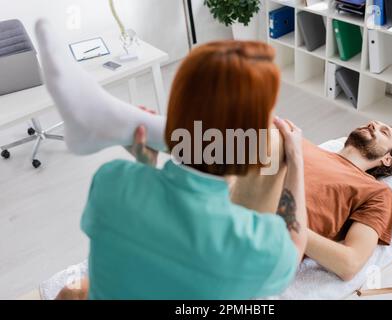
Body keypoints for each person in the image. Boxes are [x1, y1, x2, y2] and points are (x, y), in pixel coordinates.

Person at [54, 41, 308, 299]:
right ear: (253, 141)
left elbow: (144, 262)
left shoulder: (111, 182)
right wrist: (296, 159)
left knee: (72, 292)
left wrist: (145, 170)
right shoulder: (255, 244)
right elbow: (295, 248)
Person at [231, 120, 392, 281]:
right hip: (224, 207)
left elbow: (350, 263)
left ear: (387, 159)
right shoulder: (300, 144)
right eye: (373, 123)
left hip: (262, 241)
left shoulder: (378, 192)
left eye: (383, 132)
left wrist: (290, 227)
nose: (372, 125)